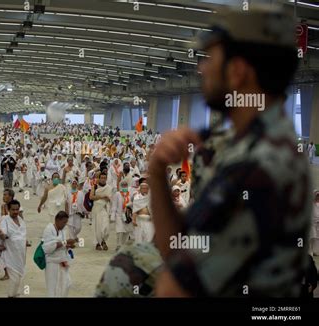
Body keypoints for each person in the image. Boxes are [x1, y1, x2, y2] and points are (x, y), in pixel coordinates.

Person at [148, 6, 312, 297]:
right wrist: (157, 170)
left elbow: (174, 289)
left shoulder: (260, 165)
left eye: (211, 58)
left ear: (237, 72)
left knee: (125, 270)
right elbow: (174, 244)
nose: (202, 68)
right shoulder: (247, 146)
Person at [42, 211, 76, 297]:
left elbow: (61, 244)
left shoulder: (62, 231)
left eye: (66, 222)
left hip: (62, 261)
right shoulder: (48, 229)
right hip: (52, 262)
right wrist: (66, 242)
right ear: (57, 220)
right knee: (52, 287)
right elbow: (48, 247)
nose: (65, 225)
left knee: (66, 284)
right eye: (63, 222)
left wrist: (69, 246)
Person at [0, 200, 27, 297]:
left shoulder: (21, 220)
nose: (15, 211)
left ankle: (16, 295)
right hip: (10, 254)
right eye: (13, 210)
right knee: (14, 279)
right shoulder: (5, 220)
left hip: (21, 255)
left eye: (17, 209)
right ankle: (10, 296)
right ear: (8, 209)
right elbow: (4, 234)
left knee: (20, 279)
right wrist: (1, 234)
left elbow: (23, 236)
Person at [90, 172, 113, 251]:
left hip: (105, 209)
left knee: (106, 227)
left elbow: (110, 199)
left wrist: (108, 198)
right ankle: (98, 243)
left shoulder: (109, 188)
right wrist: (102, 196)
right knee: (97, 227)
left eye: (104, 178)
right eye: (101, 178)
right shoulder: (95, 186)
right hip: (96, 209)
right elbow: (91, 197)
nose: (103, 179)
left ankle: (103, 240)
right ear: (99, 178)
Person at [111, 180, 133, 251]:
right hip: (119, 215)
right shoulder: (117, 194)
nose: (124, 186)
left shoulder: (130, 194)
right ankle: (118, 245)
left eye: (125, 185)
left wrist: (129, 204)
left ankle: (122, 245)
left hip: (127, 216)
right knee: (119, 231)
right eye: (123, 185)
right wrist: (112, 216)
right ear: (120, 186)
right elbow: (114, 205)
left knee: (126, 232)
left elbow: (133, 204)